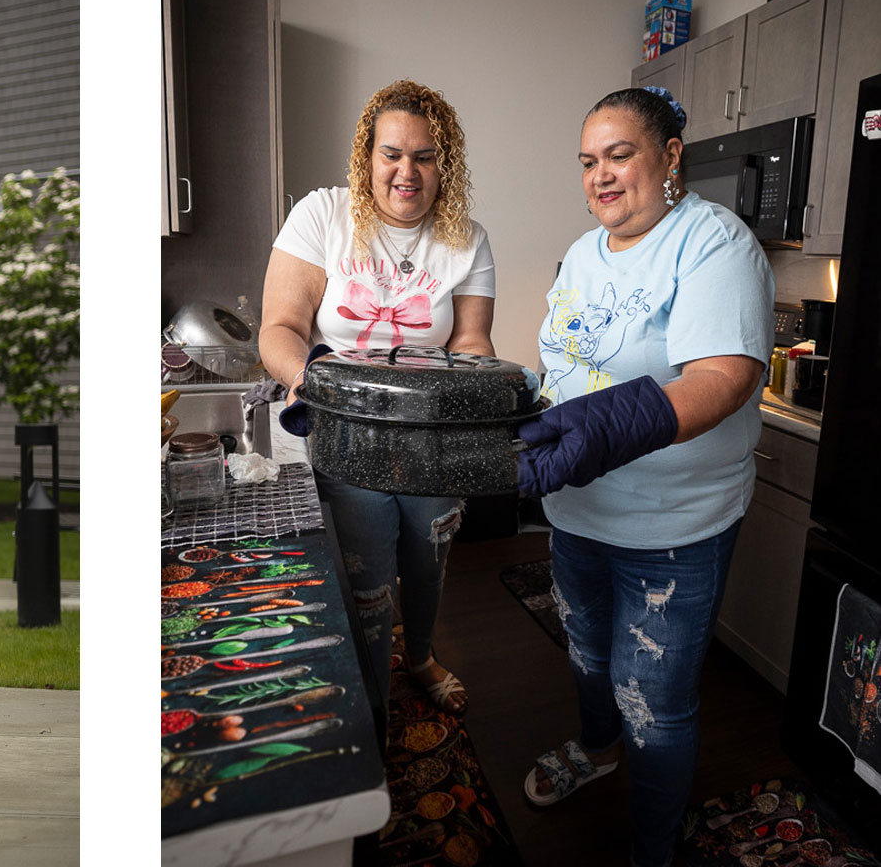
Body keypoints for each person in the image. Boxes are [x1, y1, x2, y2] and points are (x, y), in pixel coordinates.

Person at [514, 86, 771, 867]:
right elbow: (566, 363)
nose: (601, 176)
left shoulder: (714, 243)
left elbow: (724, 377)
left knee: (654, 705)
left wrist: (608, 425)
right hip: (578, 513)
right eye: (589, 162)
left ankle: (651, 850)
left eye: (620, 155)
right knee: (590, 657)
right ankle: (595, 750)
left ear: (669, 156)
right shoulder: (585, 252)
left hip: (673, 527)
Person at [258, 79, 497, 731]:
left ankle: (418, 657)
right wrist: (314, 382)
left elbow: (471, 340)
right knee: (366, 578)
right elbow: (279, 327)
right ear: (367, 155)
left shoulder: (466, 239)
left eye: (425, 156)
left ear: (446, 163)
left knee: (427, 561)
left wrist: (482, 394)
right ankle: (370, 699)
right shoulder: (323, 215)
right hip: (346, 436)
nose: (407, 171)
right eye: (392, 153)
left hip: (433, 440)